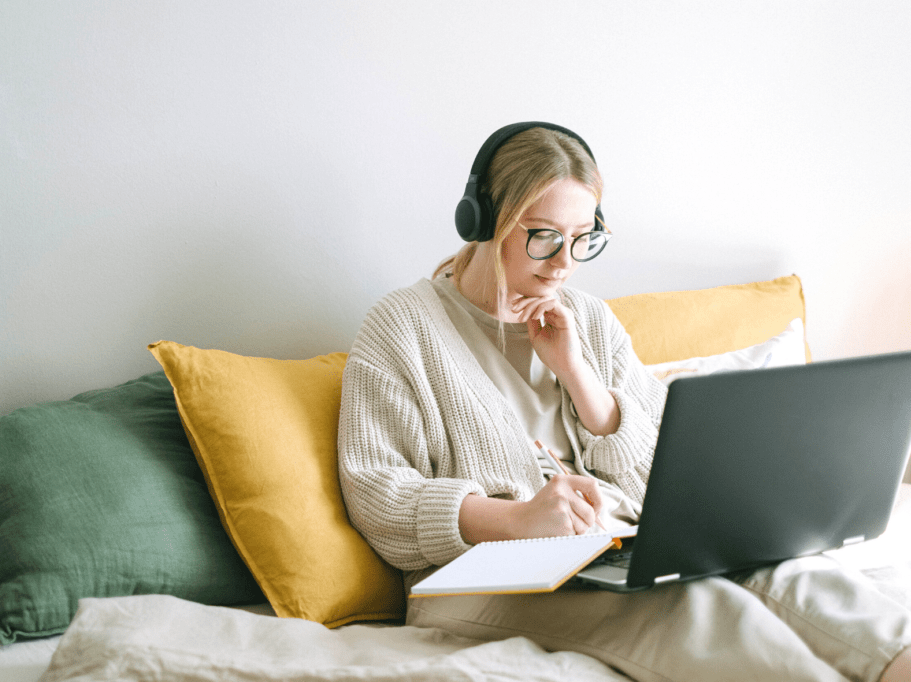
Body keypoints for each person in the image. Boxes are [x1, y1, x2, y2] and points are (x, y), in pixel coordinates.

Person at [337, 122, 911, 681]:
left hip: (620, 550)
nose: (564, 262)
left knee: (804, 578)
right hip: (477, 579)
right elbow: (377, 493)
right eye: (543, 235)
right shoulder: (402, 328)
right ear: (485, 221)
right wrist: (516, 519)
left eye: (582, 239)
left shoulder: (587, 318)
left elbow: (667, 465)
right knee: (706, 614)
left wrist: (580, 377)